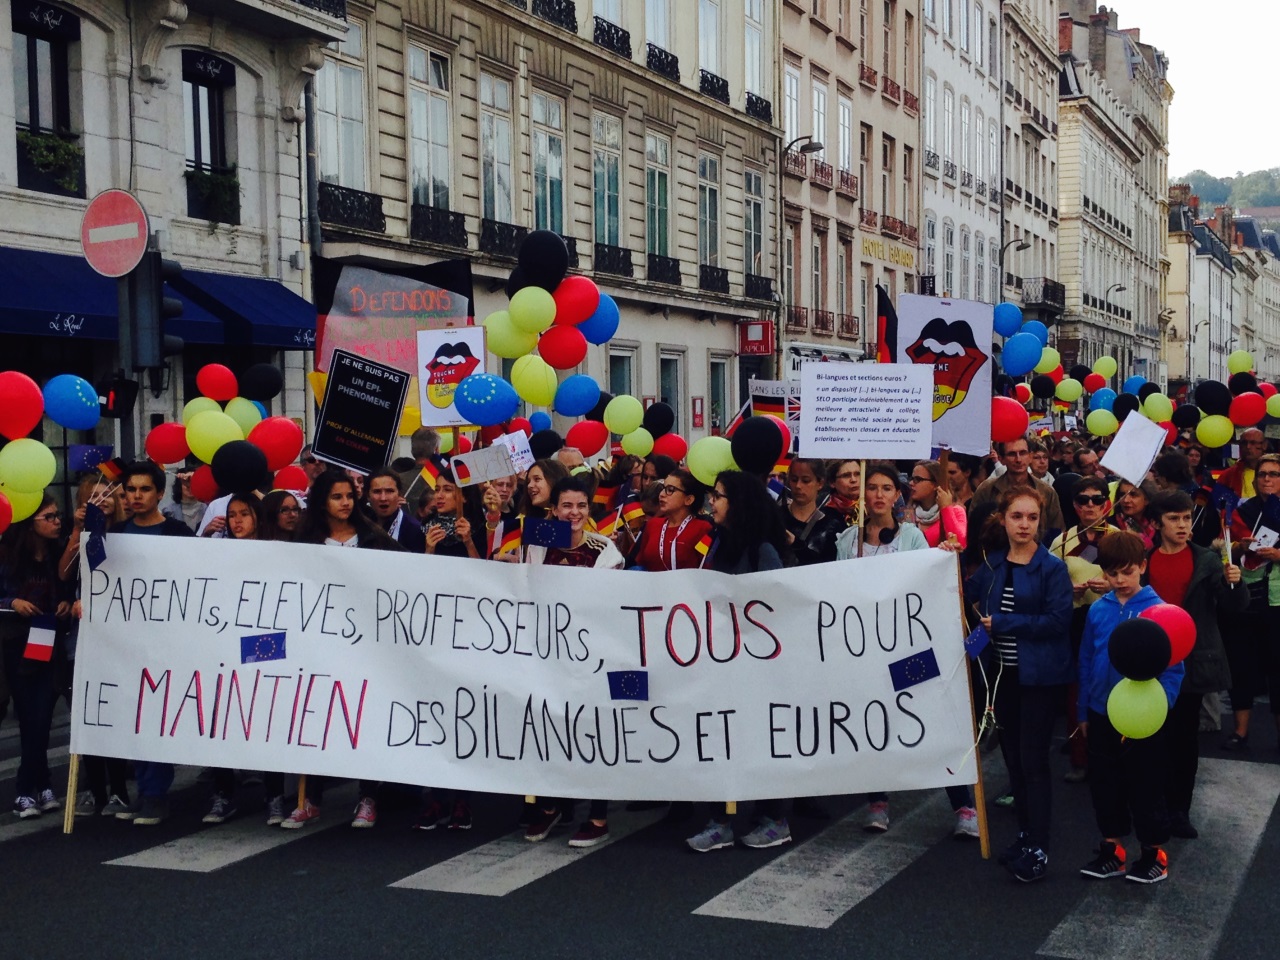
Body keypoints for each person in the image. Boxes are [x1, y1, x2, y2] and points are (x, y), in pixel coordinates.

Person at [965, 486, 1074, 882]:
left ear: (1039, 522)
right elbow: (962, 598)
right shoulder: (994, 565)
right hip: (1002, 677)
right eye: (1017, 517)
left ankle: (1040, 845)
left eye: (1031, 518)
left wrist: (1006, 623)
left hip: (1040, 679)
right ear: (1004, 519)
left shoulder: (1052, 568)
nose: (1024, 524)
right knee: (1013, 761)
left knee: (1033, 762)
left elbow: (1059, 622)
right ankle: (1026, 834)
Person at [287, 469, 402, 829]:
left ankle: (367, 796)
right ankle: (310, 798)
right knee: (316, 717)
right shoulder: (305, 544)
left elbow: (402, 579)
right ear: (322, 501)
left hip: (365, 647)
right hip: (318, 647)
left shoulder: (373, 538)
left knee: (362, 719)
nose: (345, 503)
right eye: (337, 497)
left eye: (349, 496)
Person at [686, 471, 792, 852]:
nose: (712, 502)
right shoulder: (717, 543)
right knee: (720, 739)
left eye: (719, 496)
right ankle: (721, 820)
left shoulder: (762, 549)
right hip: (719, 662)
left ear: (739, 503)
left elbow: (778, 606)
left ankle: (774, 817)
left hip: (756, 668)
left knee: (761, 740)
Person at [1076, 531, 1183, 885]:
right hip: (1101, 712)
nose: (1119, 580)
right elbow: (1087, 659)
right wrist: (1083, 709)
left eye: (1126, 571)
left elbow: (1174, 666)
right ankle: (1112, 850)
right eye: (1111, 573)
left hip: (1144, 718)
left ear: (1142, 566)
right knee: (1105, 785)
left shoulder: (1159, 611)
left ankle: (1154, 853)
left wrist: (1161, 705)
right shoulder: (1098, 609)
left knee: (1146, 784)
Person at [524, 476, 624, 847]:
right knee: (552, 729)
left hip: (594, 657)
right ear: (553, 510)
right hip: (550, 655)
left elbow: (606, 602)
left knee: (596, 731)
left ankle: (598, 817)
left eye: (581, 506)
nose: (574, 513)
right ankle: (552, 806)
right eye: (566, 506)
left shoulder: (604, 549)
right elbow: (524, 585)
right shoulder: (539, 542)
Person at [1146, 490, 1244, 838]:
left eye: (1187, 518)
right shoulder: (1144, 560)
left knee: (1184, 739)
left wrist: (1235, 582)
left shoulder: (1207, 560)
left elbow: (1233, 608)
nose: (1183, 525)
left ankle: (1179, 810)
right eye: (1174, 519)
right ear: (1157, 524)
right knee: (1153, 738)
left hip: (1190, 662)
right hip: (1151, 661)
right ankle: (1154, 807)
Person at [110, 461, 196, 826]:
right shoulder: (115, 533)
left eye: (144, 490)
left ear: (160, 494)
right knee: (135, 716)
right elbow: (97, 578)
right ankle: (145, 790)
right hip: (125, 642)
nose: (136, 496)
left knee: (157, 715)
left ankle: (156, 794)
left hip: (165, 641)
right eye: (130, 490)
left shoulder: (177, 532)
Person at [0, 494, 72, 819]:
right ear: (31, 523)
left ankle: (33, 787)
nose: (57, 522)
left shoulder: (58, 554)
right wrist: (12, 601)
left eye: (57, 516)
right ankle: (32, 788)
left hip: (49, 638)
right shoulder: (8, 555)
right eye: (50, 517)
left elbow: (70, 587)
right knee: (30, 716)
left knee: (42, 715)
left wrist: (66, 605)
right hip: (17, 642)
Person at [64, 478, 130, 817]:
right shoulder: (81, 533)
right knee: (88, 713)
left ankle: (119, 789)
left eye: (104, 496)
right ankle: (95, 789)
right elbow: (64, 573)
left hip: (118, 638)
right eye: (92, 497)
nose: (100, 501)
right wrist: (77, 532)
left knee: (113, 714)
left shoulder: (125, 532)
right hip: (84, 637)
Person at [1223, 453, 1280, 751]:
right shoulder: (1243, 510)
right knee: (1242, 666)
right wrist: (1237, 545)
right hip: (1246, 597)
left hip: (1278, 601)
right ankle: (1240, 731)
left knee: (1278, 669)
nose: (1267, 479)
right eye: (1262, 474)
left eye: (1273, 474)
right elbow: (1224, 544)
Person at [969, 437, 1065, 541]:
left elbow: (1057, 532)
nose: (1018, 459)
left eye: (1023, 453)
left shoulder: (1046, 491)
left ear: (1030, 456)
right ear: (1001, 459)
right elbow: (973, 527)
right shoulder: (987, 489)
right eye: (1012, 454)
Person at [836, 461, 927, 560]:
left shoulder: (913, 537)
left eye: (886, 489)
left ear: (896, 495)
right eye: (872, 488)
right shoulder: (848, 539)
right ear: (863, 494)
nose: (879, 495)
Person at [631, 469, 713, 571]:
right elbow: (640, 564)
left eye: (670, 490)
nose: (661, 494)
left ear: (688, 500)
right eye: (663, 488)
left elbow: (707, 569)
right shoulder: (653, 524)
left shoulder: (703, 529)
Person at [781, 458, 843, 565]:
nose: (798, 486)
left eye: (806, 481)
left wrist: (794, 543)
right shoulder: (775, 517)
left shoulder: (833, 524)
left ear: (820, 483)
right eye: (794, 479)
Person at [423, 471, 485, 560]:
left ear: (464, 497)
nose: (439, 496)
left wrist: (468, 542)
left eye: (447, 490)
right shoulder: (426, 526)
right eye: (437, 489)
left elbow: (482, 569)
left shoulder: (480, 527)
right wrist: (429, 550)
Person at [906, 459, 967, 549]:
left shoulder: (956, 511)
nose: (911, 483)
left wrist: (946, 508)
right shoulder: (908, 514)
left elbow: (959, 543)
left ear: (935, 484)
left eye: (917, 479)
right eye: (911, 479)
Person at [366, 468, 426, 553]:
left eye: (389, 491)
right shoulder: (360, 526)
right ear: (368, 496)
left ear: (399, 494)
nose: (383, 498)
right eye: (377, 491)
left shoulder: (415, 531)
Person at [1218, 427, 1267, 498]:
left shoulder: (1276, 471)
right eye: (1244, 443)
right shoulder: (1228, 475)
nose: (1248, 446)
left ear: (1264, 445)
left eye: (1253, 443)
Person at [1114, 479, 1158, 550]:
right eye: (1122, 495)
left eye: (1133, 495)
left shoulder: (1158, 525)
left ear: (1146, 499)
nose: (1126, 500)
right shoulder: (1111, 525)